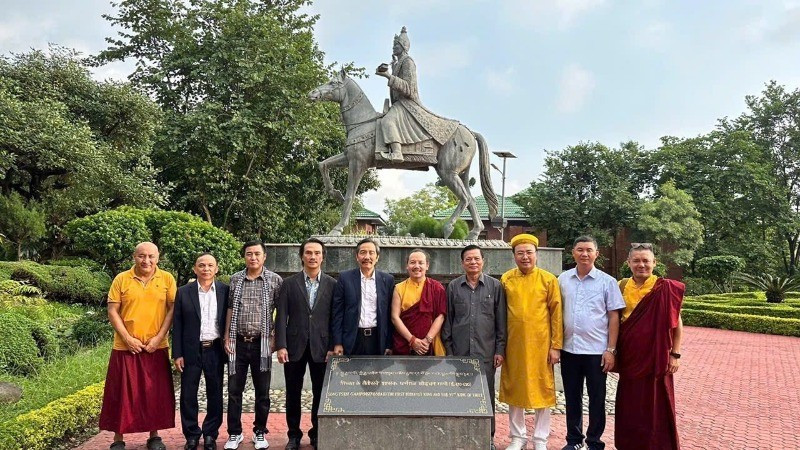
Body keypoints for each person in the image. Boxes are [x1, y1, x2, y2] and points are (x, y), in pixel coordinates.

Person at [99, 242, 177, 450]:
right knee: (122, 394)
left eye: (151, 256)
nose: (146, 261)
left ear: (158, 258)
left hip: (156, 346)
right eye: (142, 256)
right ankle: (118, 439)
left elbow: (171, 310)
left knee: (155, 393)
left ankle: (154, 435)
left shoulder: (167, 279)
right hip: (125, 347)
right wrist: (127, 338)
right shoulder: (121, 279)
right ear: (134, 257)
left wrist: (159, 337)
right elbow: (113, 311)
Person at [557, 236, 625, 450]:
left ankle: (594, 441)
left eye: (589, 250)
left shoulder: (607, 282)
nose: (584, 254)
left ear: (596, 253)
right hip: (570, 349)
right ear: (573, 253)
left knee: (597, 399)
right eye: (580, 249)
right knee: (572, 398)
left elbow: (614, 316)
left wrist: (611, 350)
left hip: (596, 351)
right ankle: (574, 440)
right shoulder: (563, 279)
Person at [615, 243, 684, 450]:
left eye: (646, 261)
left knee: (657, 404)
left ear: (655, 263)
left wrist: (675, 354)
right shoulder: (621, 286)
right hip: (630, 357)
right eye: (636, 261)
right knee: (630, 404)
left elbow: (677, 323)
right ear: (628, 263)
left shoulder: (665, 288)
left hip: (657, 357)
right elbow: (614, 320)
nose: (641, 265)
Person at [500, 234, 563, 450]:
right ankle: (517, 437)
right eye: (520, 253)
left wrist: (556, 346)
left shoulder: (548, 279)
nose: (525, 257)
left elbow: (557, 315)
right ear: (514, 256)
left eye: (529, 252)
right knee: (514, 387)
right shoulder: (506, 279)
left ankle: (540, 439)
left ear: (537, 254)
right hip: (514, 345)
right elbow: (499, 313)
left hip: (541, 345)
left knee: (542, 390)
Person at [441, 244, 507, 450]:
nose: (473, 262)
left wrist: (499, 349)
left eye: (476, 259)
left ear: (483, 261)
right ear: (462, 263)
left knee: (486, 396)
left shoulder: (495, 286)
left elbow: (501, 321)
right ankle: (461, 435)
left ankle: (488, 437)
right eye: (468, 259)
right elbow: (448, 321)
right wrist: (449, 351)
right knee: (460, 395)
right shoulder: (453, 287)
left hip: (485, 353)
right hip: (460, 353)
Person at [275, 238, 337, 450]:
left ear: (322, 256)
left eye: (317, 253)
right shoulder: (289, 284)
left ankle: (317, 433)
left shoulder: (332, 284)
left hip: (322, 347)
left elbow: (334, 318)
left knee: (321, 393)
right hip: (294, 347)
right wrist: (281, 345)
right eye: (308, 252)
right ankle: (293, 434)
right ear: (301, 256)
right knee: (293, 392)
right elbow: (281, 315)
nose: (312, 256)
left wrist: (333, 345)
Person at [223, 240, 283, 450]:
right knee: (234, 390)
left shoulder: (275, 280)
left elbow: (281, 312)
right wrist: (226, 337)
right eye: (249, 254)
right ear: (244, 256)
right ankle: (234, 433)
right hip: (238, 342)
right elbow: (230, 308)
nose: (253, 258)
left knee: (263, 391)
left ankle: (260, 432)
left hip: (262, 343)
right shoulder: (236, 279)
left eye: (257, 254)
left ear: (264, 256)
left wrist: (275, 337)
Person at [374, 26, 458, 162]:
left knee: (388, 121)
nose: (393, 47)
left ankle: (396, 152)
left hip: (407, 104)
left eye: (396, 45)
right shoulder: (398, 63)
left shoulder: (408, 62)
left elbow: (409, 89)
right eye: (393, 45)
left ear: (404, 46)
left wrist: (388, 76)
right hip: (399, 104)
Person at [173, 253, 229, 450]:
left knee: (215, 393)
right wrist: (177, 353)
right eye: (202, 265)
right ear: (195, 269)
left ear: (217, 268)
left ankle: (211, 434)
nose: (206, 269)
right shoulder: (183, 292)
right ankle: (192, 435)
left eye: (210, 265)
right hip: (190, 350)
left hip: (214, 348)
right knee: (188, 394)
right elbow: (177, 324)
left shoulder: (224, 290)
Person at [331, 237, 395, 356]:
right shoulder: (345, 278)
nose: (367, 257)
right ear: (357, 257)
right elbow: (337, 313)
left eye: (371, 253)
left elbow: (390, 315)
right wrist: (337, 342)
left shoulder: (388, 280)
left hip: (378, 339)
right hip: (352, 339)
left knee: (376, 374)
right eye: (363, 252)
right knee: (351, 374)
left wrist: (389, 344)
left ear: (377, 257)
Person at [390, 249, 447, 356]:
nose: (417, 266)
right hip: (404, 343)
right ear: (407, 265)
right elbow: (395, 317)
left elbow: (441, 316)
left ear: (427, 266)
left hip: (430, 344)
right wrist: (412, 340)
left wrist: (427, 340)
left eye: (421, 263)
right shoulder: (399, 288)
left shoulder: (436, 287)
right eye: (412, 262)